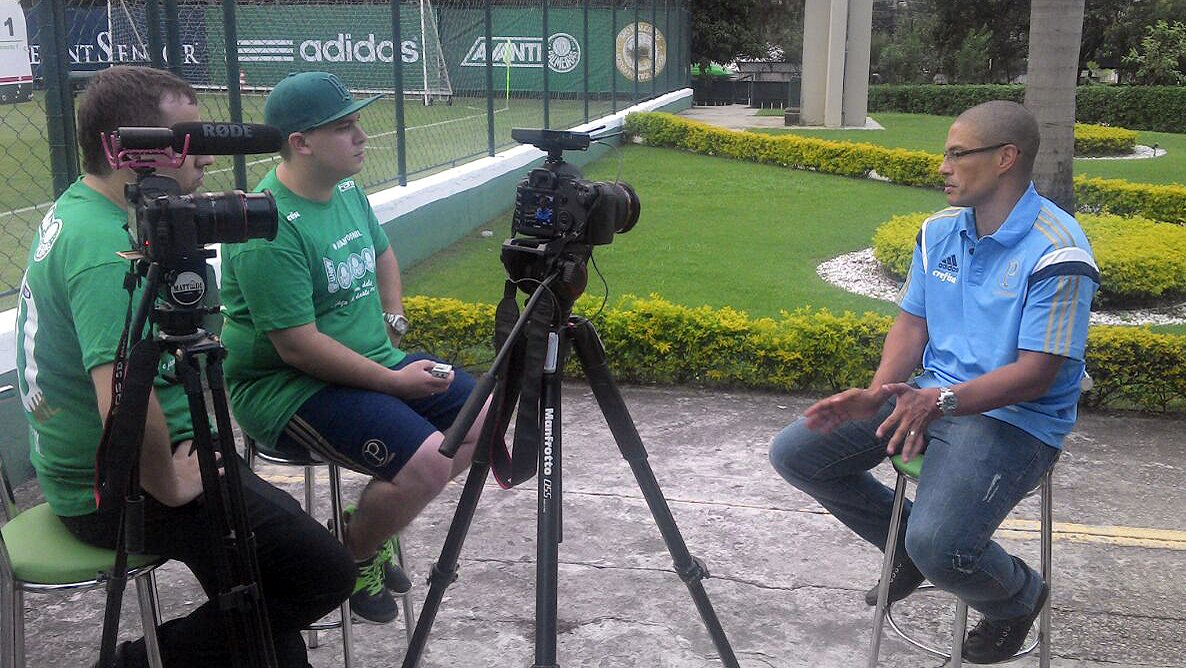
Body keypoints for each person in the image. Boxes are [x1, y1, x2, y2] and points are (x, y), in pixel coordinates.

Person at [14, 65, 355, 667]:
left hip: (125, 460)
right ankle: (137, 662)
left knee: (263, 598)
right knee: (320, 574)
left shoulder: (91, 207)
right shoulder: (102, 247)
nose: (202, 157)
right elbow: (121, 395)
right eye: (185, 140)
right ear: (126, 152)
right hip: (122, 486)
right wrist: (167, 485)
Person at [769, 101, 1099, 664]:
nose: (942, 165)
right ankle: (902, 552)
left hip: (1014, 419)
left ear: (1004, 159)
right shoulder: (938, 232)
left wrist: (941, 402)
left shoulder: (1057, 250)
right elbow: (913, 322)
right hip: (930, 395)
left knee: (941, 543)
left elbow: (1037, 373)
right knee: (797, 453)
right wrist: (879, 392)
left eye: (955, 153)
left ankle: (1016, 596)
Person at [220, 71, 487, 624]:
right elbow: (297, 348)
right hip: (292, 388)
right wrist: (393, 382)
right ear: (301, 143)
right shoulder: (267, 227)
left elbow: (383, 254)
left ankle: (364, 526)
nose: (362, 136)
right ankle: (354, 558)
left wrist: (394, 320)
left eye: (357, 122)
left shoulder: (346, 190)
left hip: (373, 363)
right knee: (426, 468)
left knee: (485, 417)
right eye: (345, 127)